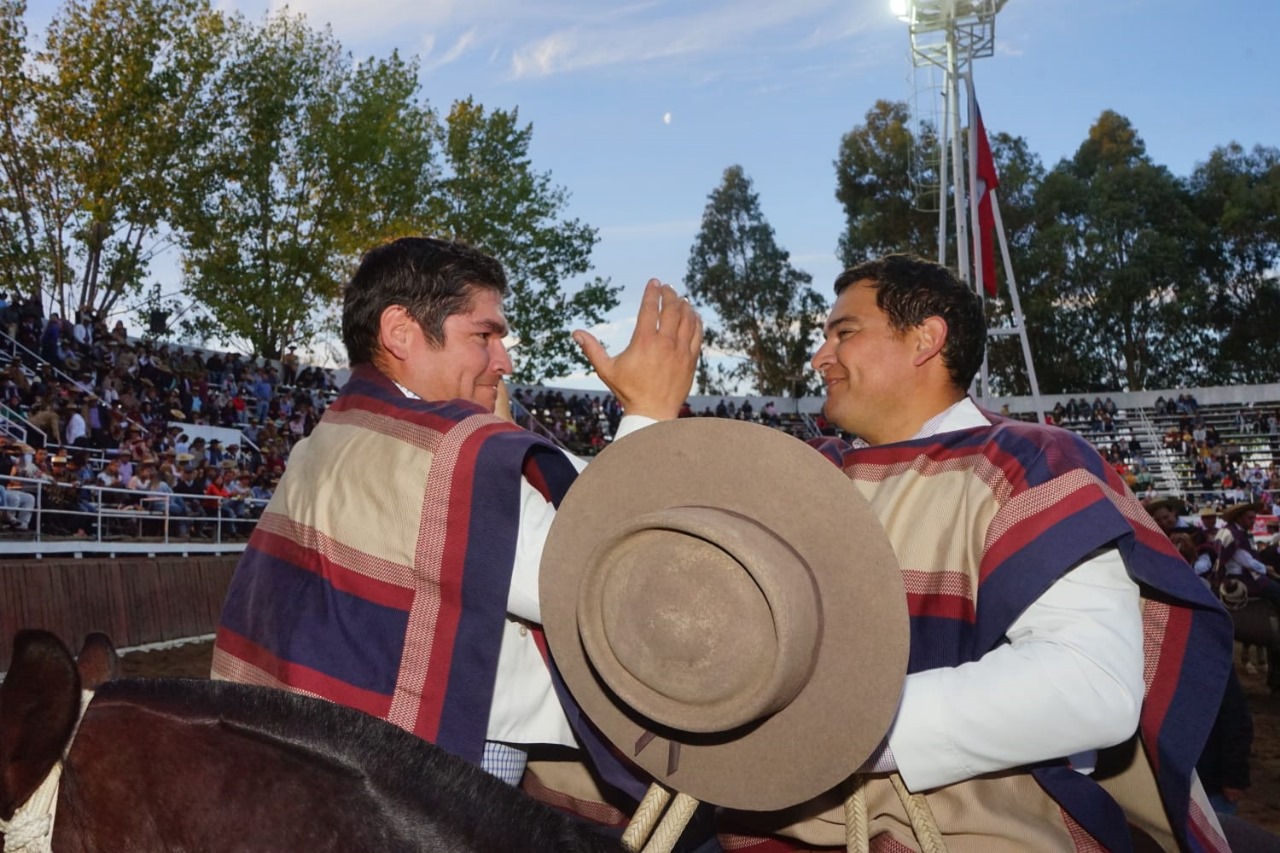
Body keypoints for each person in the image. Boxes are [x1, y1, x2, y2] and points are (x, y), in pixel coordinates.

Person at [720, 255, 1233, 851]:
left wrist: (847, 729)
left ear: (926, 339)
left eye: (845, 332)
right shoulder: (807, 474)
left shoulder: (1032, 460)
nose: (820, 356)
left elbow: (1089, 683)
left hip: (976, 830)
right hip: (769, 818)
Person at [211, 237, 700, 790]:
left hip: (329, 764)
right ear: (400, 332)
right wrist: (649, 414)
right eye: (483, 336)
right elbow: (600, 583)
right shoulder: (440, 456)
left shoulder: (345, 434)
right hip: (428, 775)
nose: (504, 361)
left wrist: (499, 439)